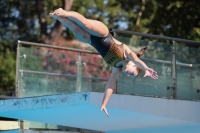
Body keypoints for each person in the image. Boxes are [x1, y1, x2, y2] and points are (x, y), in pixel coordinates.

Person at [49, 8, 158, 117]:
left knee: (75, 29)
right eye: (131, 73)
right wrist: (145, 68)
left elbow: (110, 86)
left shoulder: (116, 68)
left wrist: (104, 103)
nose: (127, 74)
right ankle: (65, 12)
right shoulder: (128, 54)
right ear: (134, 66)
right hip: (103, 35)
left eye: (129, 76)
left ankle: (58, 16)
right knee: (85, 24)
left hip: (91, 41)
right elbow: (137, 60)